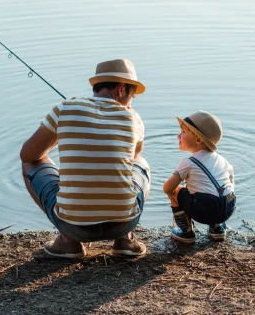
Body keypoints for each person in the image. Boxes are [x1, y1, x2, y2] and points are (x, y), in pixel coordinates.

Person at [20, 59, 151, 258]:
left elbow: (28, 155)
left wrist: (63, 136)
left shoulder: (64, 108)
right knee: (142, 164)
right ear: (121, 89)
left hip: (74, 226)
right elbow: (133, 156)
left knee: (31, 163)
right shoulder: (134, 119)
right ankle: (125, 239)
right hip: (123, 222)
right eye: (132, 96)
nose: (131, 102)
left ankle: (68, 241)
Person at [163, 111, 236, 243]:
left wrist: (173, 190)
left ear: (198, 139)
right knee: (218, 190)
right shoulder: (222, 160)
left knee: (175, 191)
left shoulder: (187, 163)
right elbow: (231, 181)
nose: (178, 136)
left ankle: (186, 232)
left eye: (183, 132)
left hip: (205, 210)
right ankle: (217, 228)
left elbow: (168, 187)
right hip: (229, 206)